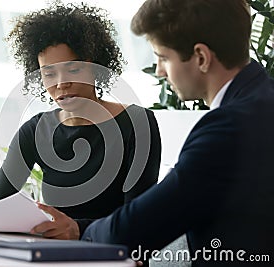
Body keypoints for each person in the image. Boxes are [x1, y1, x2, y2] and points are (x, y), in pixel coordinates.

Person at [81, 0, 274, 266]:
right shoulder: (263, 101)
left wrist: (80, 232)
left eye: (163, 57)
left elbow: (131, 232)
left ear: (201, 57)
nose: (160, 71)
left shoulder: (227, 129)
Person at [0, 2, 161, 241]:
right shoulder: (35, 131)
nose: (60, 83)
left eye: (73, 70)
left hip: (116, 257)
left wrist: (77, 229)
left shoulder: (137, 124)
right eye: (49, 73)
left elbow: (140, 220)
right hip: (54, 256)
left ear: (95, 68)